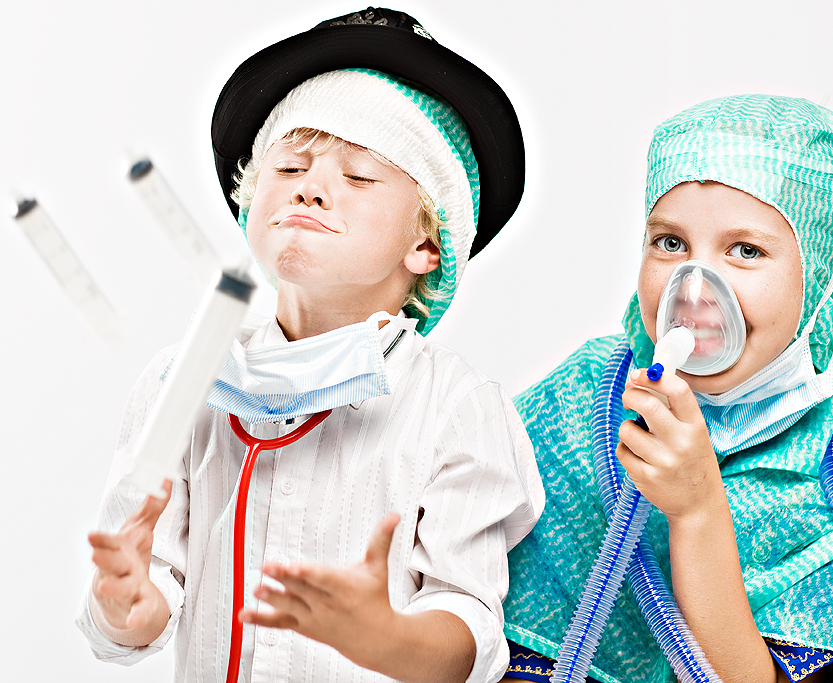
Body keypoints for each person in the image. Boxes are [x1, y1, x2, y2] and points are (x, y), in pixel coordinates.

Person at [75, 8, 543, 683]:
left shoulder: (456, 406)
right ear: (248, 207)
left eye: (358, 177)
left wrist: (386, 637)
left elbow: (466, 624)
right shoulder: (182, 383)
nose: (311, 186)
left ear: (427, 243)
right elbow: (143, 600)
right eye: (290, 164)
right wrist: (125, 601)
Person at [500, 95, 833, 683]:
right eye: (670, 243)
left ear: (820, 274)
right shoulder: (576, 401)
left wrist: (697, 509)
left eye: (746, 251)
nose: (694, 287)